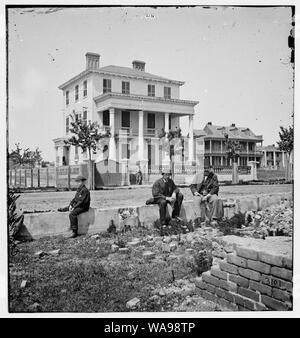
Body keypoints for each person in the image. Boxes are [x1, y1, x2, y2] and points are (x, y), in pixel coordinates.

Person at [151, 168, 183, 233]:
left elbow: (176, 188)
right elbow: (155, 194)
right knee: (163, 202)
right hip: (160, 198)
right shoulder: (157, 183)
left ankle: (175, 216)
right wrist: (166, 198)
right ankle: (163, 223)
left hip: (169, 197)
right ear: (163, 175)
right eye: (166, 175)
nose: (167, 176)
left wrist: (174, 193)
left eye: (168, 175)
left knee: (180, 195)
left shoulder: (170, 181)